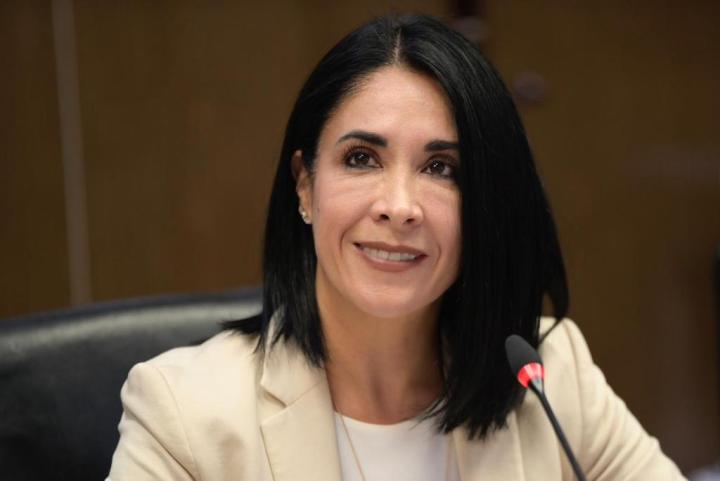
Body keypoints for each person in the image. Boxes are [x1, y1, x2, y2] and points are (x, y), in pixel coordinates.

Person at [106, 14, 685, 481]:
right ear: (305, 185)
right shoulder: (185, 412)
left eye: (442, 168)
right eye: (362, 158)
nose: (400, 206)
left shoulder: (550, 378)